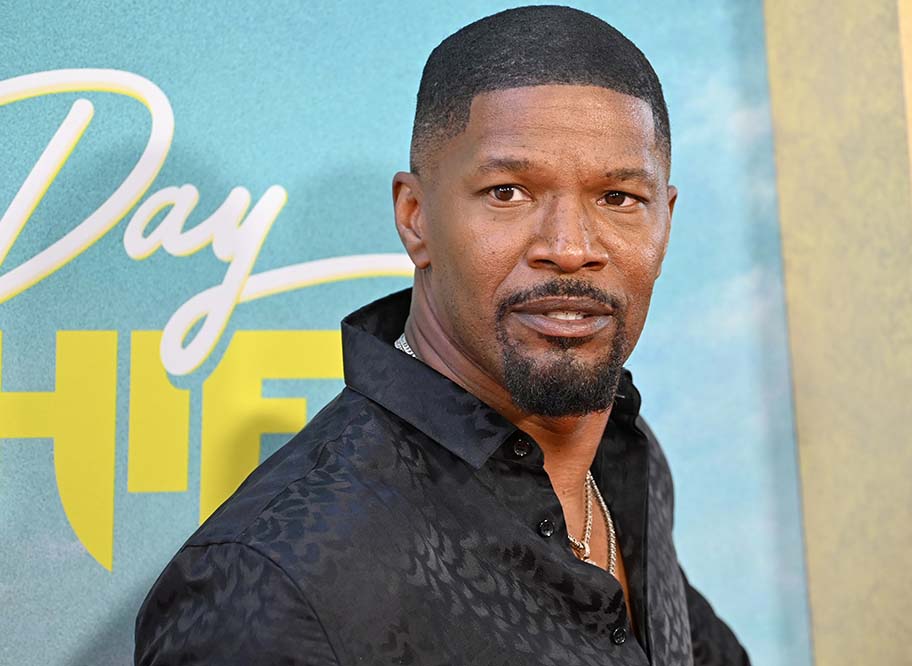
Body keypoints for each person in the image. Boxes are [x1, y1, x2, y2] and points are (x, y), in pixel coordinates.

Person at [135, 6, 750, 665]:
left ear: (666, 219)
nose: (570, 248)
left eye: (619, 198)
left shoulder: (625, 456)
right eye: (508, 192)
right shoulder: (270, 584)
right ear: (416, 217)